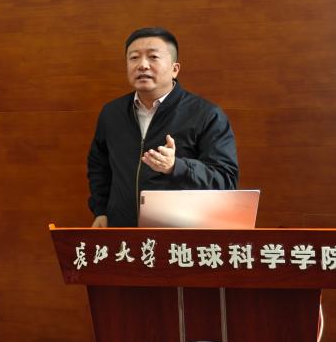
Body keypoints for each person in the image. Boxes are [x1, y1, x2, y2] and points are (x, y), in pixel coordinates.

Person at [87, 27, 238, 227]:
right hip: (122, 232)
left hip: (180, 235)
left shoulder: (206, 115)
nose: (142, 65)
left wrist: (176, 167)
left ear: (175, 69)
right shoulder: (112, 113)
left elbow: (225, 180)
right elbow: (99, 166)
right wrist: (101, 211)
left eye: (153, 57)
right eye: (134, 58)